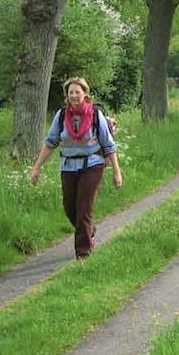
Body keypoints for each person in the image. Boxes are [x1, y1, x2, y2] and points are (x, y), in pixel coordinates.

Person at [31, 77, 123, 260]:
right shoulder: (61, 116)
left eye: (77, 92)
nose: (73, 95)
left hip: (92, 165)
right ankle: (88, 230)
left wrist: (116, 170)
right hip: (68, 167)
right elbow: (50, 142)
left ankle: (83, 254)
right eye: (70, 92)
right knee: (69, 208)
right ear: (67, 96)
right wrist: (37, 168)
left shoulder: (95, 115)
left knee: (84, 208)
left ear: (85, 94)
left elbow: (108, 144)